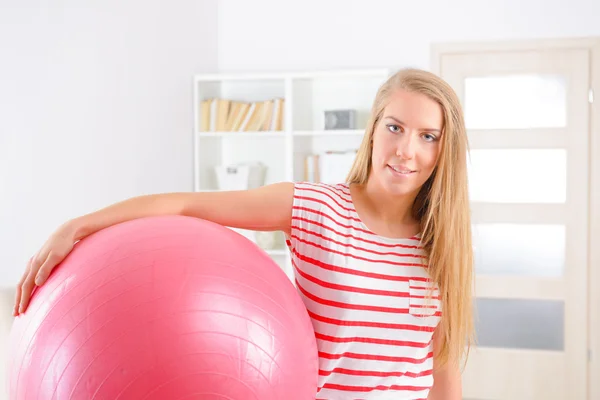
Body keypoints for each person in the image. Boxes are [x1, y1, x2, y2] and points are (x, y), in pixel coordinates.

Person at [14, 68, 474, 399]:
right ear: (374, 131)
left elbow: (441, 365)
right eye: (395, 127)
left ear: (443, 149)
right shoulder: (315, 208)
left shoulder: (441, 242)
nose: (406, 150)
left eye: (428, 136)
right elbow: (189, 204)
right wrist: (77, 225)